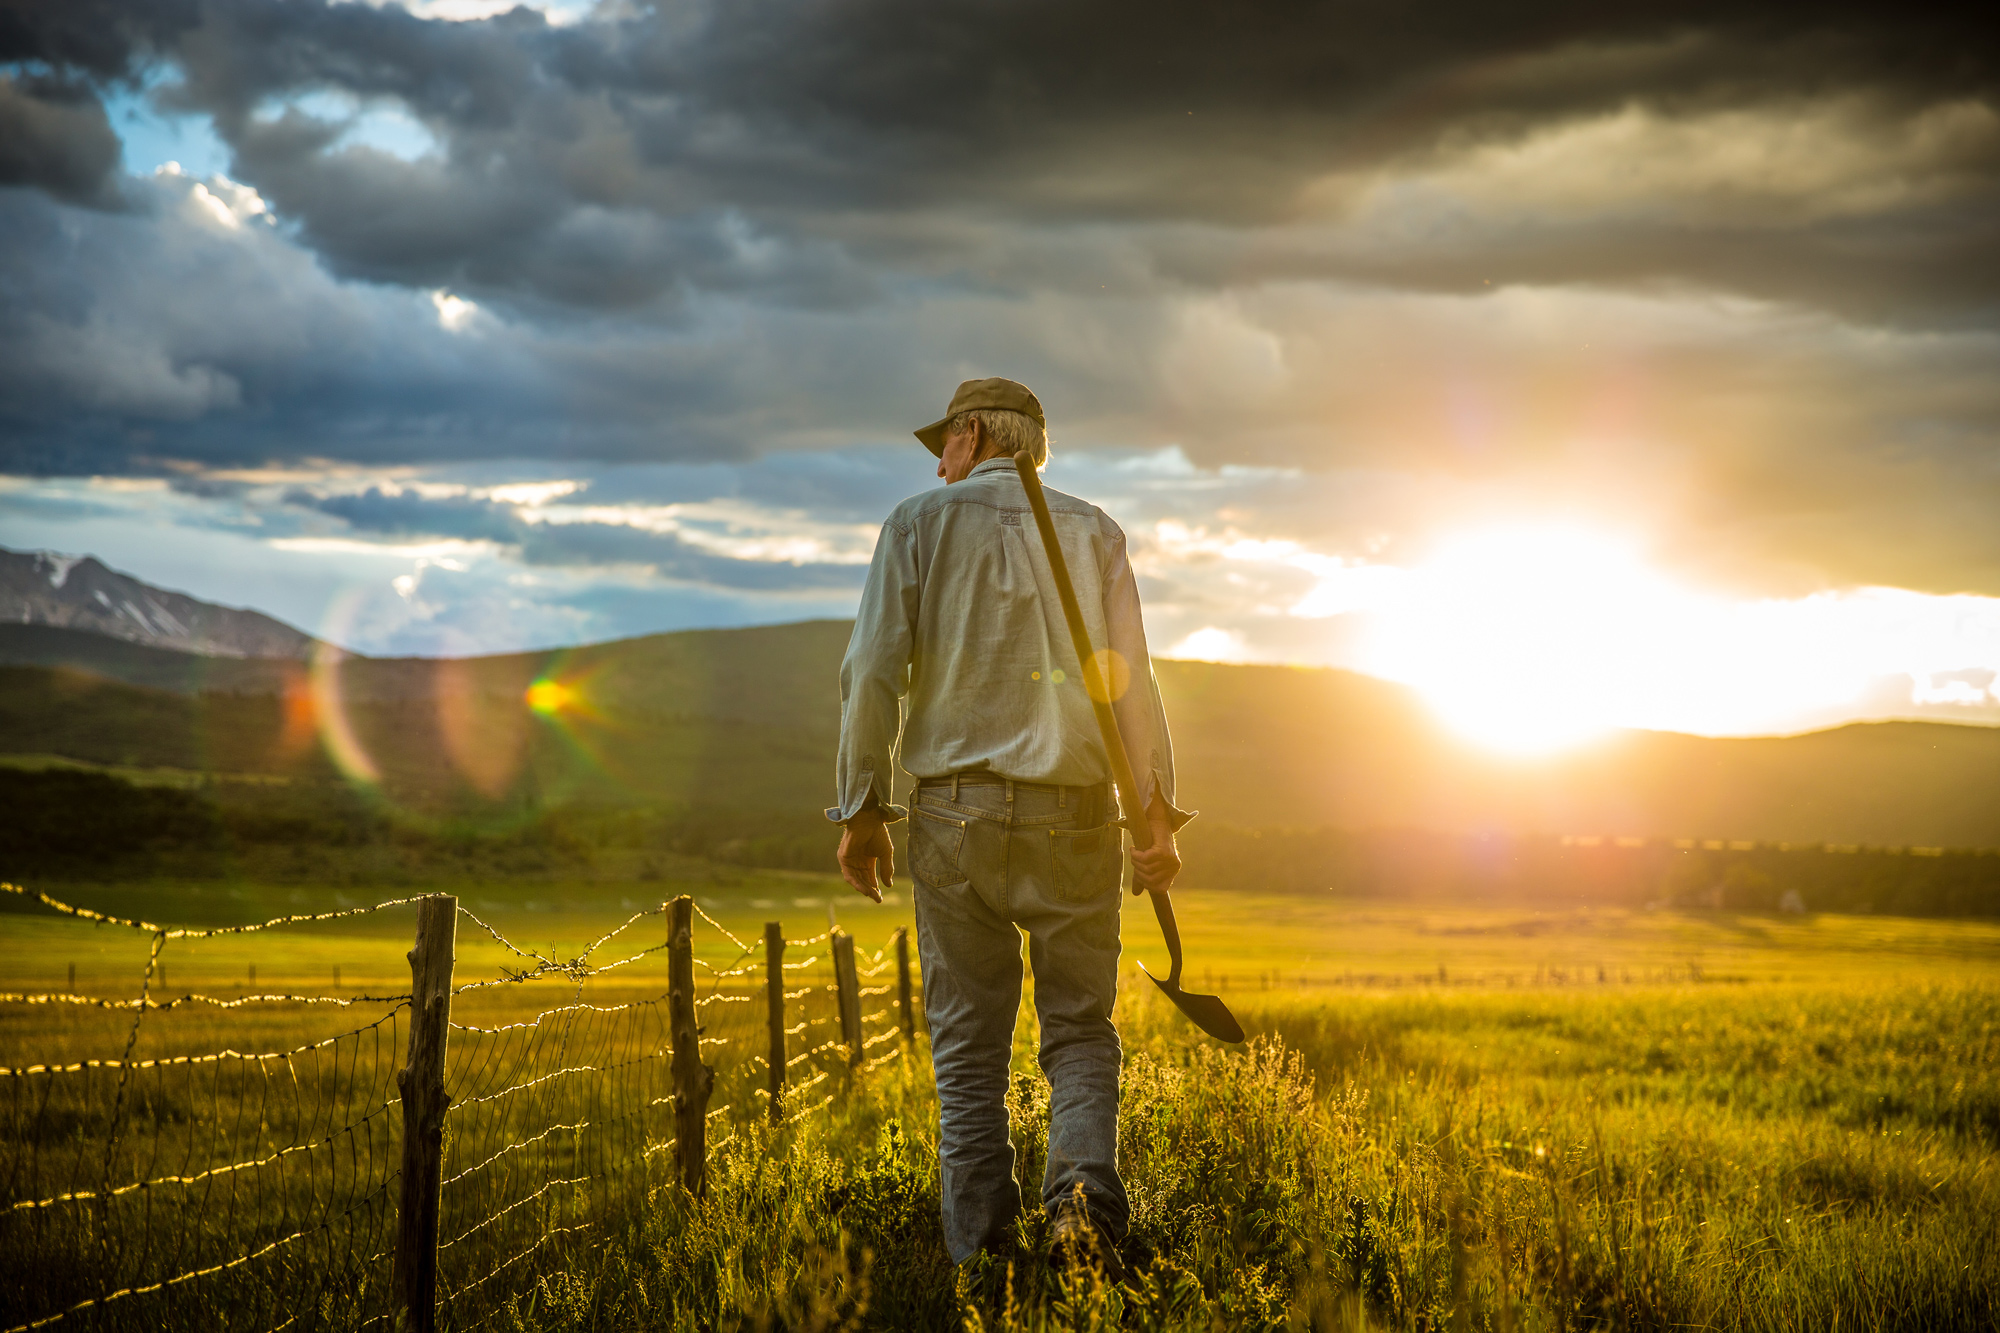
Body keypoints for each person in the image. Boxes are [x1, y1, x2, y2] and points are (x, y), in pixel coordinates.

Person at [827, 376, 1191, 1277]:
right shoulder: (1095, 530)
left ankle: (985, 1263)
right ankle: (1081, 1215)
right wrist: (1154, 815)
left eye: (942, 444)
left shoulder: (916, 523)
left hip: (950, 817)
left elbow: (872, 670)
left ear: (974, 432)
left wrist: (862, 806)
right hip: (1076, 819)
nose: (937, 464)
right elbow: (1131, 683)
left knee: (967, 1049)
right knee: (1078, 1032)